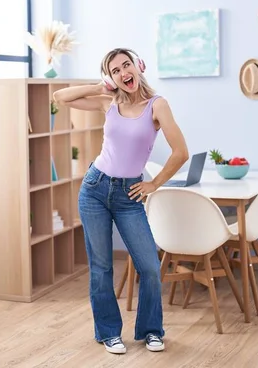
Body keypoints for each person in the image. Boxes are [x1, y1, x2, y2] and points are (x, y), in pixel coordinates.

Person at [52, 48, 189, 354]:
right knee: (101, 267)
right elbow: (60, 97)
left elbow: (181, 152)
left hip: (129, 195)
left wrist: (154, 183)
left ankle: (152, 330)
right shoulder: (108, 101)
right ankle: (109, 332)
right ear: (111, 78)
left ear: (138, 67)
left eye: (127, 65)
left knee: (150, 267)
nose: (123, 72)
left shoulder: (158, 105)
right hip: (95, 189)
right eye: (115, 70)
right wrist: (98, 86)